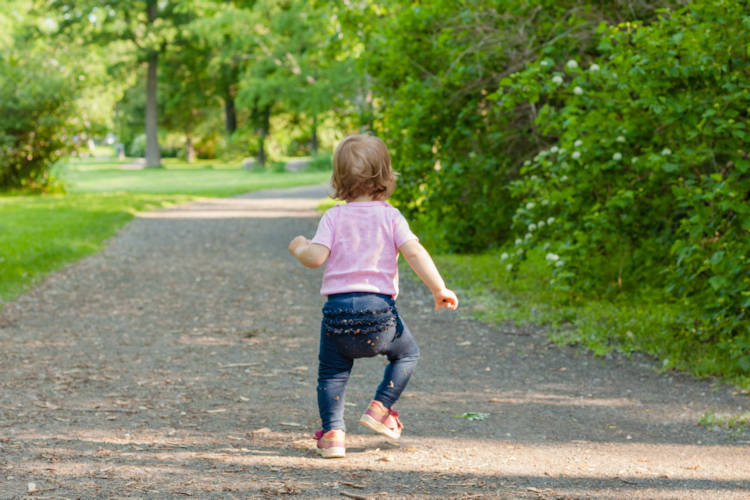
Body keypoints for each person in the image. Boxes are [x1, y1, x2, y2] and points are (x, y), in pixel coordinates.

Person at [288, 134, 458, 458]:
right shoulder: (391, 217)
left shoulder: (334, 217)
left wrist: (298, 246)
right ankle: (381, 408)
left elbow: (314, 258)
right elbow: (415, 253)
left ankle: (333, 434)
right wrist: (439, 288)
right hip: (380, 313)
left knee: (331, 372)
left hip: (338, 314)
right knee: (407, 354)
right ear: (385, 176)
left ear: (338, 179)